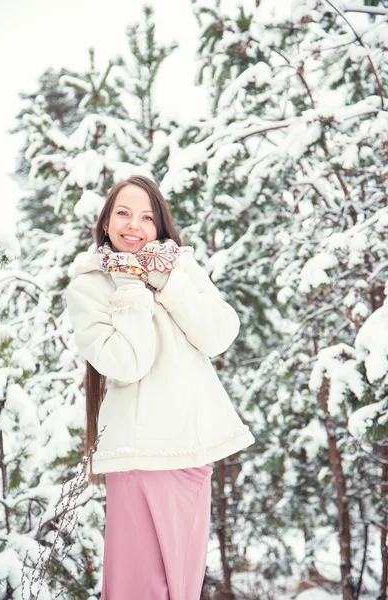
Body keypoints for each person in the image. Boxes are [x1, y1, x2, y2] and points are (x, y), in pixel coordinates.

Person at [66, 175, 255, 599]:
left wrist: (168, 284)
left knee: (182, 586)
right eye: (124, 213)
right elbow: (129, 364)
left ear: (160, 226)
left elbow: (218, 334)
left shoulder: (180, 267)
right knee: (138, 587)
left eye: (147, 217)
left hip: (189, 447)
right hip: (138, 453)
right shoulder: (89, 286)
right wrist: (131, 285)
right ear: (106, 221)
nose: (134, 225)